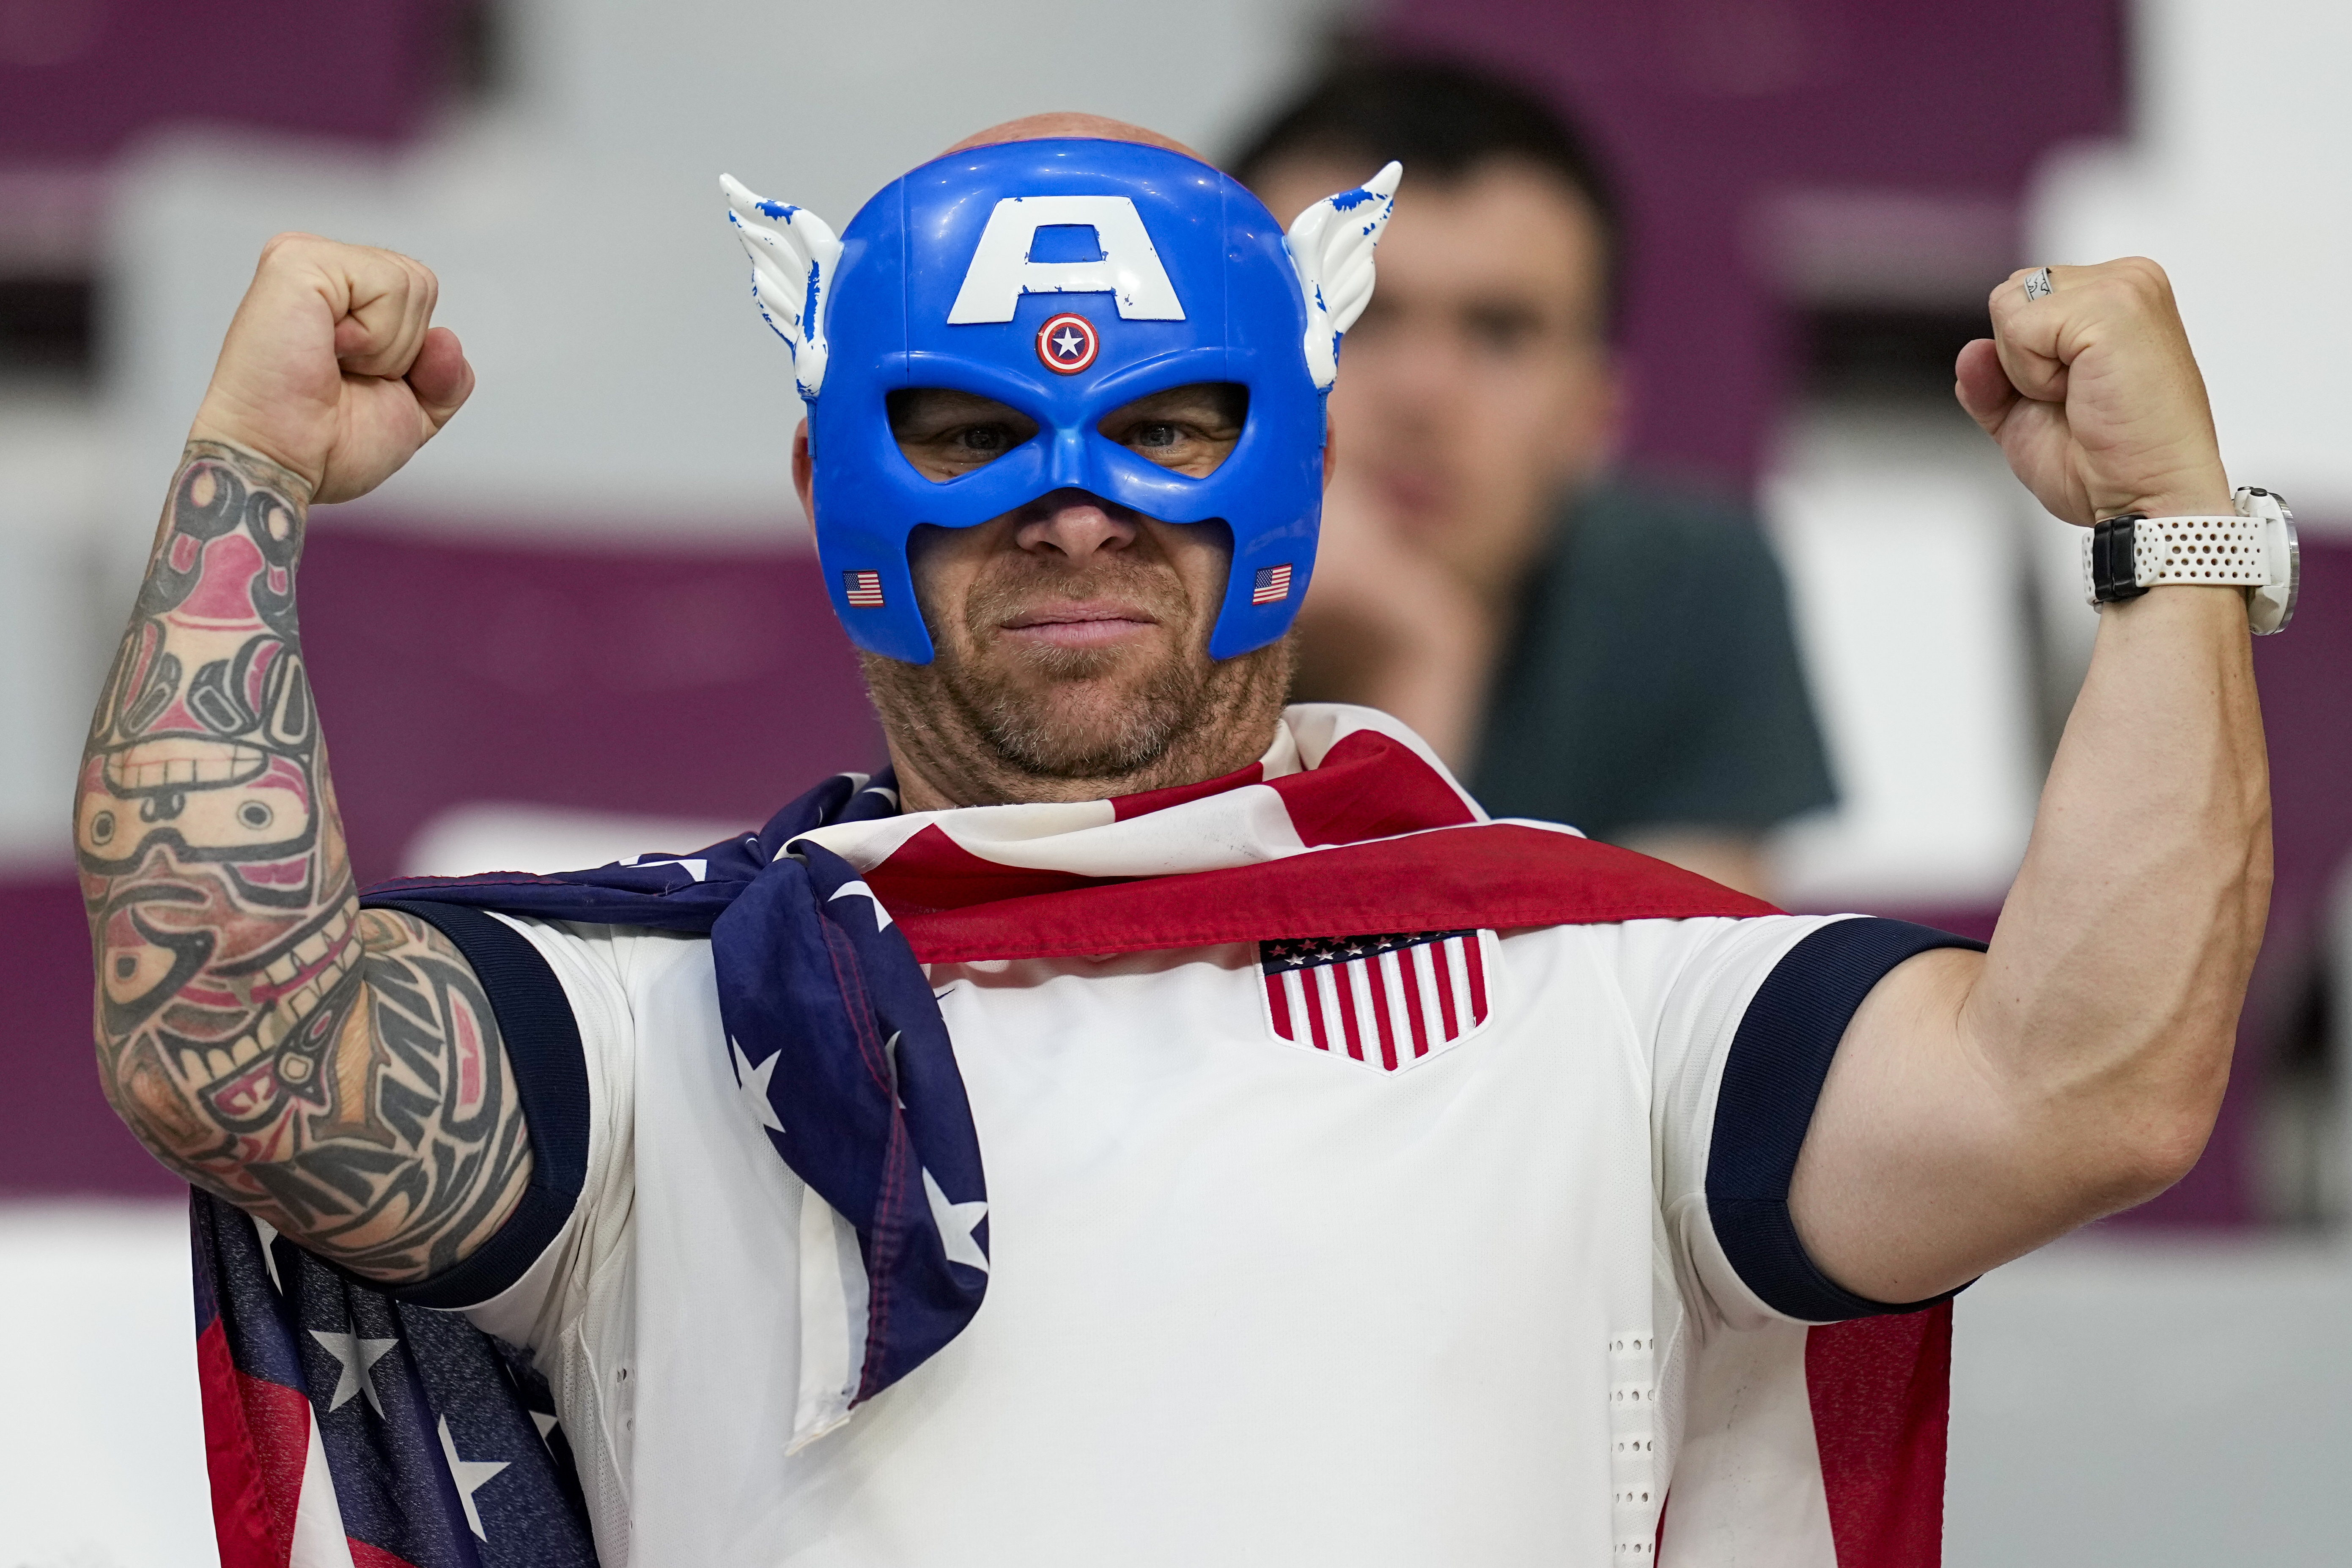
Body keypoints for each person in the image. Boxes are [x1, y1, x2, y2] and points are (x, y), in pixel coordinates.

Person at [80, 111, 2273, 1567]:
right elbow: (230, 1041)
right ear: (836, 489)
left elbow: (2074, 1078)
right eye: (964, 428)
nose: (1071, 496)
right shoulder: (677, 1018)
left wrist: (2176, 543)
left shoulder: (1605, 991)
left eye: (1163, 423)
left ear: (1286, 481)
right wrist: (244, 475)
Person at [1233, 58, 1835, 897]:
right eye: (1351, 316)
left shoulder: (1689, 585)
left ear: (1597, 414)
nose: (1422, 392)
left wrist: (1416, 659)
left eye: (1500, 332)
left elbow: (1685, 1014)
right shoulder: (1093, 556)